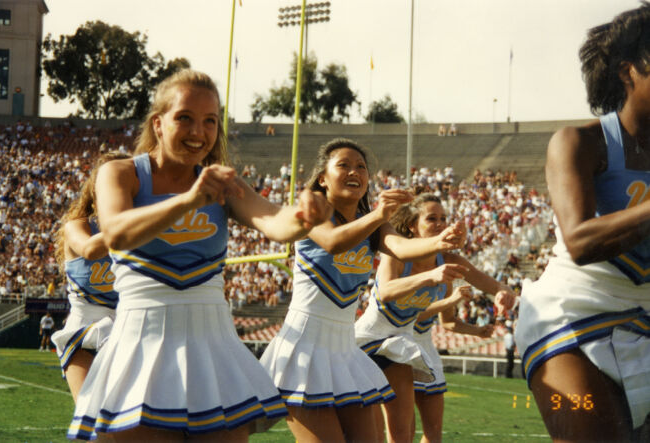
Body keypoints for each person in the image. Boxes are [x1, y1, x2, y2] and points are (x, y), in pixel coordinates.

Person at [67, 69, 331, 441]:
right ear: (158, 123)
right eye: (185, 118)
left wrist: (304, 217)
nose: (199, 132)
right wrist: (189, 200)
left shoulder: (222, 184)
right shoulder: (121, 173)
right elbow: (116, 233)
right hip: (142, 345)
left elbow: (273, 220)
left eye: (210, 122)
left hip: (213, 348)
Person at [259, 139, 467, 442]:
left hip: (345, 351)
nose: (354, 171)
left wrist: (440, 242)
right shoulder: (312, 213)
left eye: (361, 167)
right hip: (304, 349)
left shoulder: (373, 225)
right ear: (322, 178)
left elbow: (402, 247)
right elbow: (332, 241)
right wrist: (379, 216)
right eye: (343, 165)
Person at [515, 5, 650, 441]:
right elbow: (579, 241)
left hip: (643, 316)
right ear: (629, 71)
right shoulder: (579, 141)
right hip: (570, 316)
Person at [354, 193, 515, 442]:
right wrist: (432, 277)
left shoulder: (448, 261)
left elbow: (488, 284)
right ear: (412, 226)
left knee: (403, 433)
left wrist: (503, 292)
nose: (440, 223)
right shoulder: (395, 254)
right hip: (366, 340)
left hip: (400, 344)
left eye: (443, 218)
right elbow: (385, 292)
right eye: (431, 218)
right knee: (367, 433)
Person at [50, 151, 131, 402]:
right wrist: (138, 224)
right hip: (82, 331)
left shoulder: (141, 229)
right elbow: (89, 249)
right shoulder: (77, 225)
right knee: (91, 418)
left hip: (128, 328)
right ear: (96, 190)